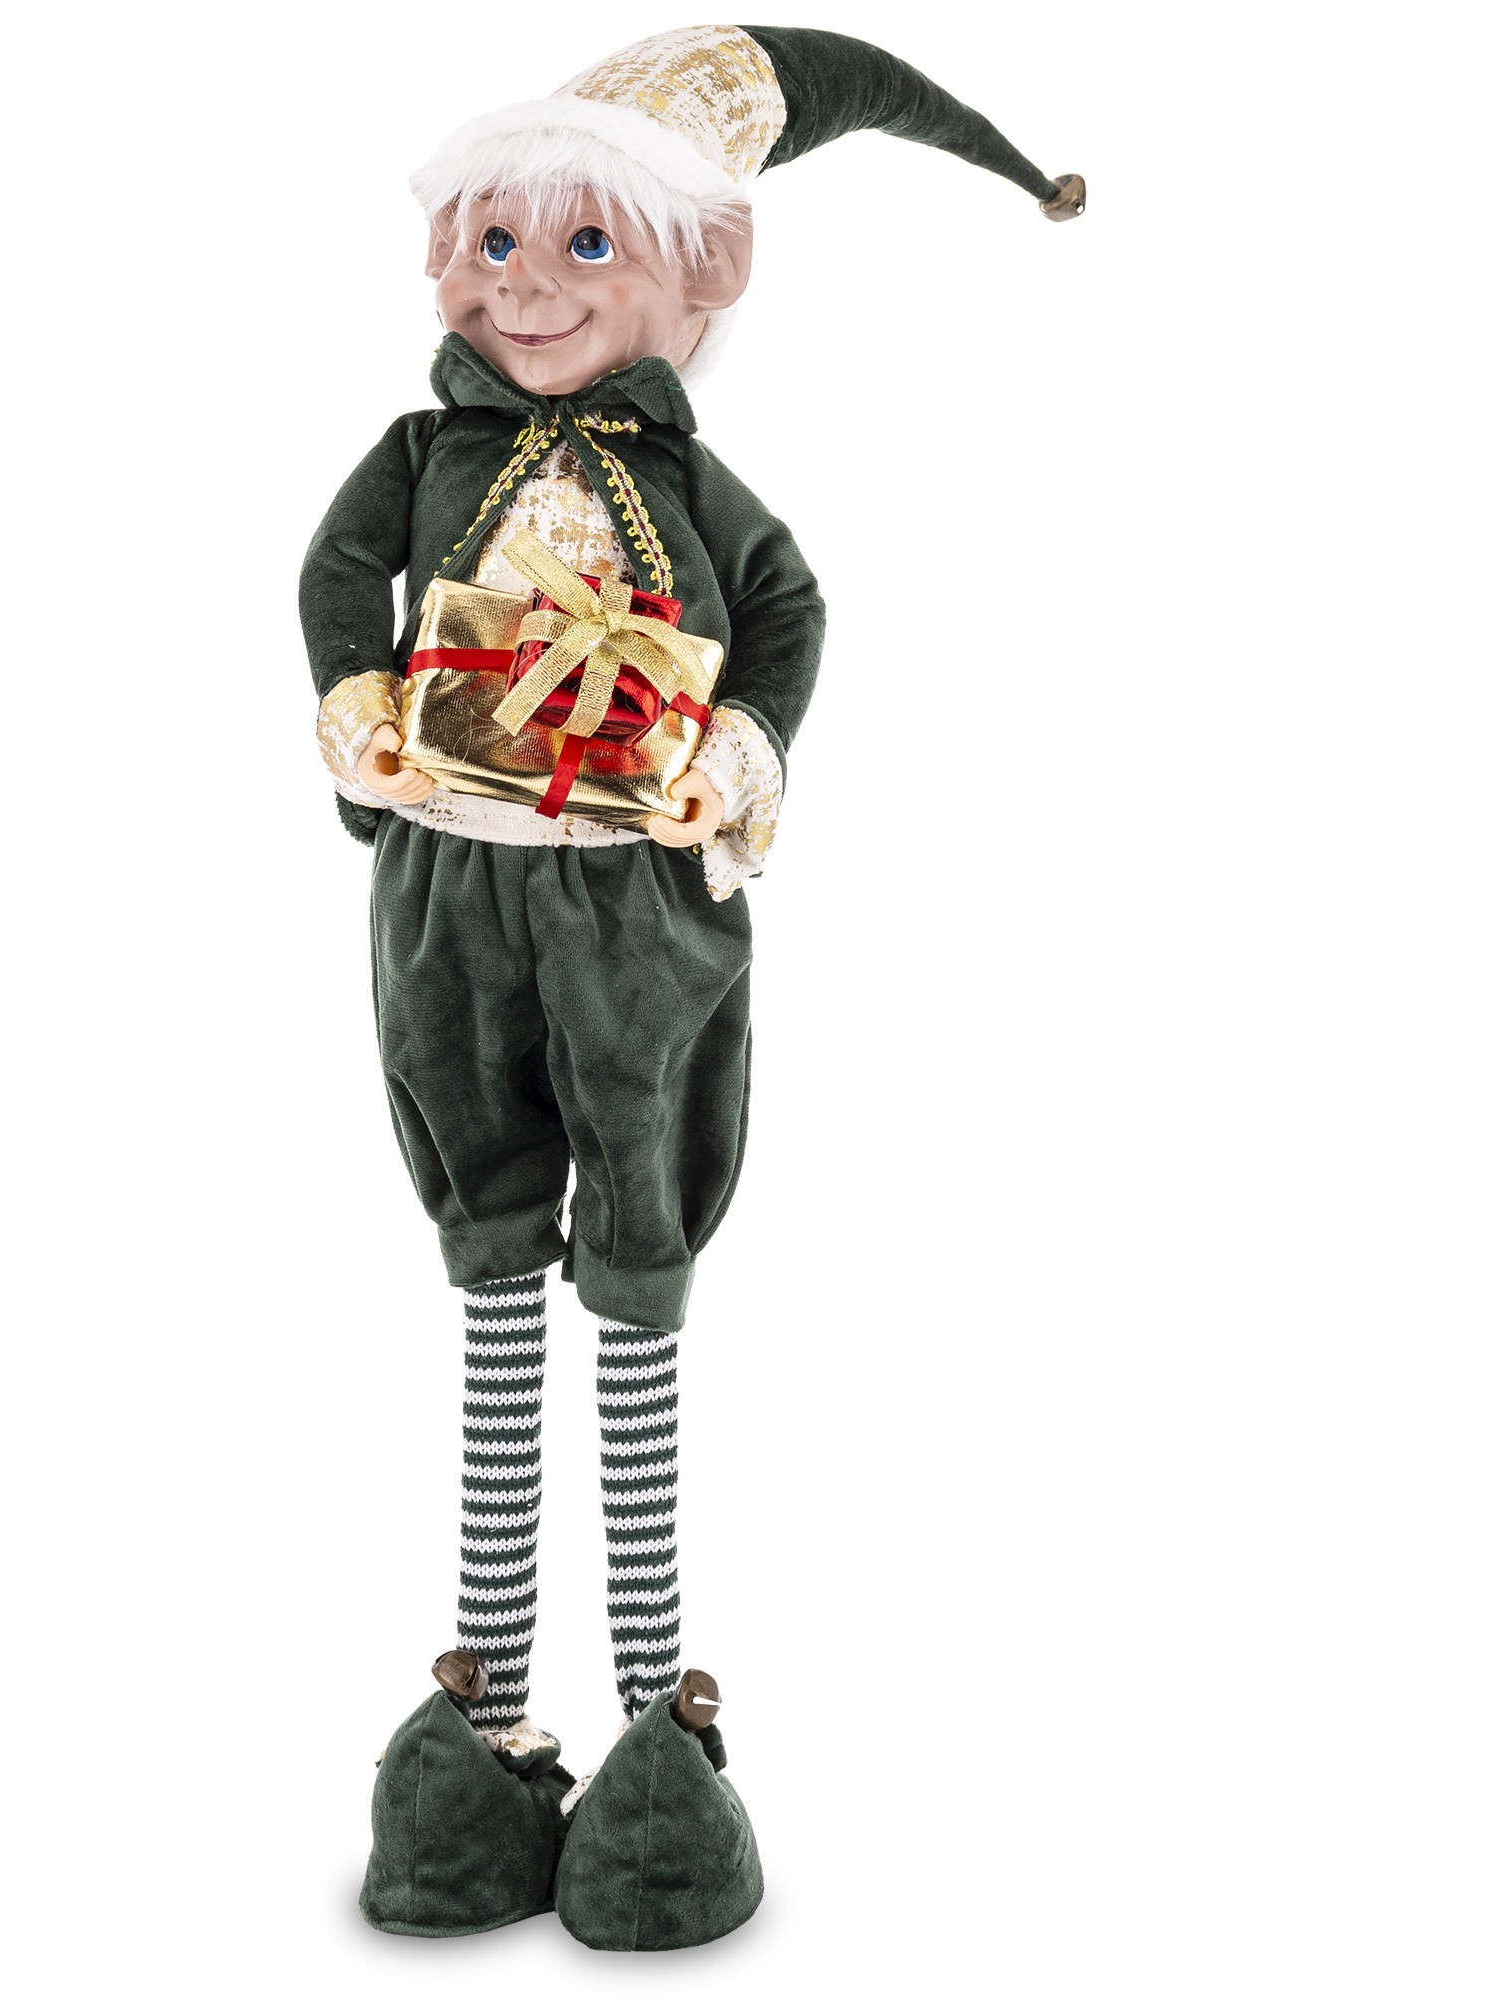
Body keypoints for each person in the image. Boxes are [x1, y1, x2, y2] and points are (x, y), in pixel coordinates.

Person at [299, 23, 1083, 1950]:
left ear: (700, 269)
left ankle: (655, 1718)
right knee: (492, 1260)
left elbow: (790, 609)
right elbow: (334, 580)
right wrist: (359, 704)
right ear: (438, 253)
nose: (526, 286)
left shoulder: (692, 483)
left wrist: (736, 750)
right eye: (494, 241)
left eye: (586, 247)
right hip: (450, 902)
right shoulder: (419, 457)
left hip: (642, 913)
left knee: (637, 1274)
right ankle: (487, 1715)